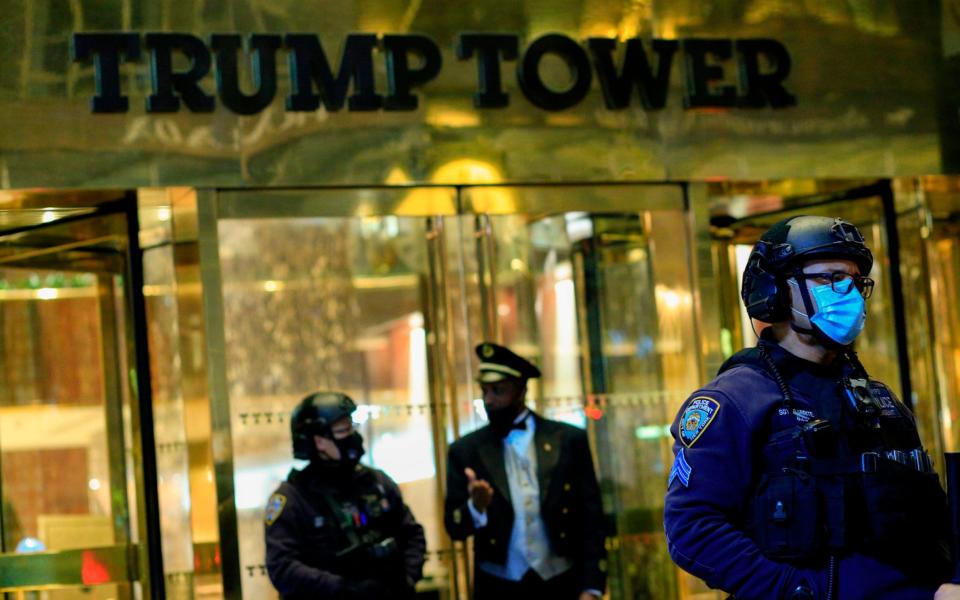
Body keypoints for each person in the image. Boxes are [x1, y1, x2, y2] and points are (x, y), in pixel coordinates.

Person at [664, 215, 953, 599]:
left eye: (856, 281)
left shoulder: (880, 400)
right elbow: (693, 528)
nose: (848, 292)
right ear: (774, 291)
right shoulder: (735, 401)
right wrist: (797, 591)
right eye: (830, 278)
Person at [443, 342, 607, 600]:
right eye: (484, 391)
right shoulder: (465, 450)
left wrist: (592, 586)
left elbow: (591, 517)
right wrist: (476, 507)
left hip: (562, 580)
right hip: (498, 585)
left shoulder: (568, 439)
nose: (489, 400)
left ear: (521, 389)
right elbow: (454, 528)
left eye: (498, 390)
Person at [265, 391, 426, 600]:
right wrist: (343, 589)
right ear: (319, 441)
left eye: (352, 428)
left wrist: (407, 578)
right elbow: (282, 568)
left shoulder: (376, 482)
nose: (353, 437)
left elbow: (412, 533)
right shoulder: (293, 499)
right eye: (343, 431)